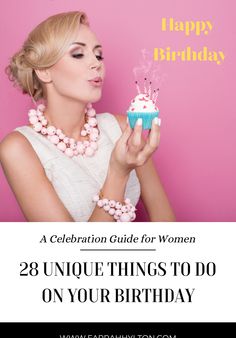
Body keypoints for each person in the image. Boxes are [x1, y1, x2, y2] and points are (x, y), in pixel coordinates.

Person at [0, 11, 175, 222]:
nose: (96, 63)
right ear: (44, 71)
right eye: (78, 54)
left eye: (98, 55)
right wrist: (118, 173)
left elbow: (165, 223)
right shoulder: (19, 148)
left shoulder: (121, 128)